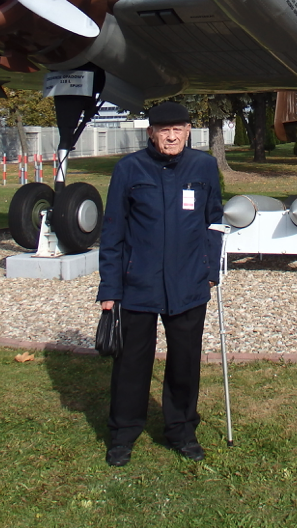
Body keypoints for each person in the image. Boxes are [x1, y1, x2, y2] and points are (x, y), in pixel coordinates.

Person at [97, 101, 223, 466]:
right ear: (151, 132)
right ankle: (122, 435)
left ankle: (182, 431)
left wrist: (210, 269)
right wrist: (109, 289)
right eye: (164, 130)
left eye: (178, 128)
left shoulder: (204, 166)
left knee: (185, 362)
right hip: (139, 283)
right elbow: (113, 232)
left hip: (189, 283)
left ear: (188, 130)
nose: (171, 135)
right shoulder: (129, 168)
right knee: (132, 364)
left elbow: (214, 222)